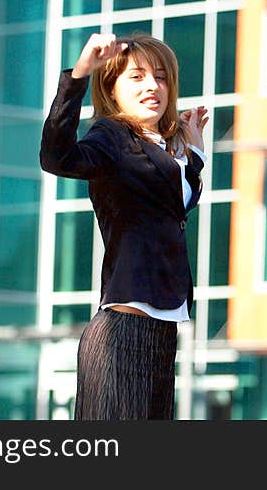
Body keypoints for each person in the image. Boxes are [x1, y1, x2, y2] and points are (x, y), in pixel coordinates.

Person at [40, 32, 208, 420]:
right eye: (137, 77)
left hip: (160, 334)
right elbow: (56, 155)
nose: (153, 85)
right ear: (111, 89)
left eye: (162, 77)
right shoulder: (112, 137)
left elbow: (172, 204)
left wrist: (194, 151)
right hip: (122, 335)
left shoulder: (160, 149)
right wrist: (80, 73)